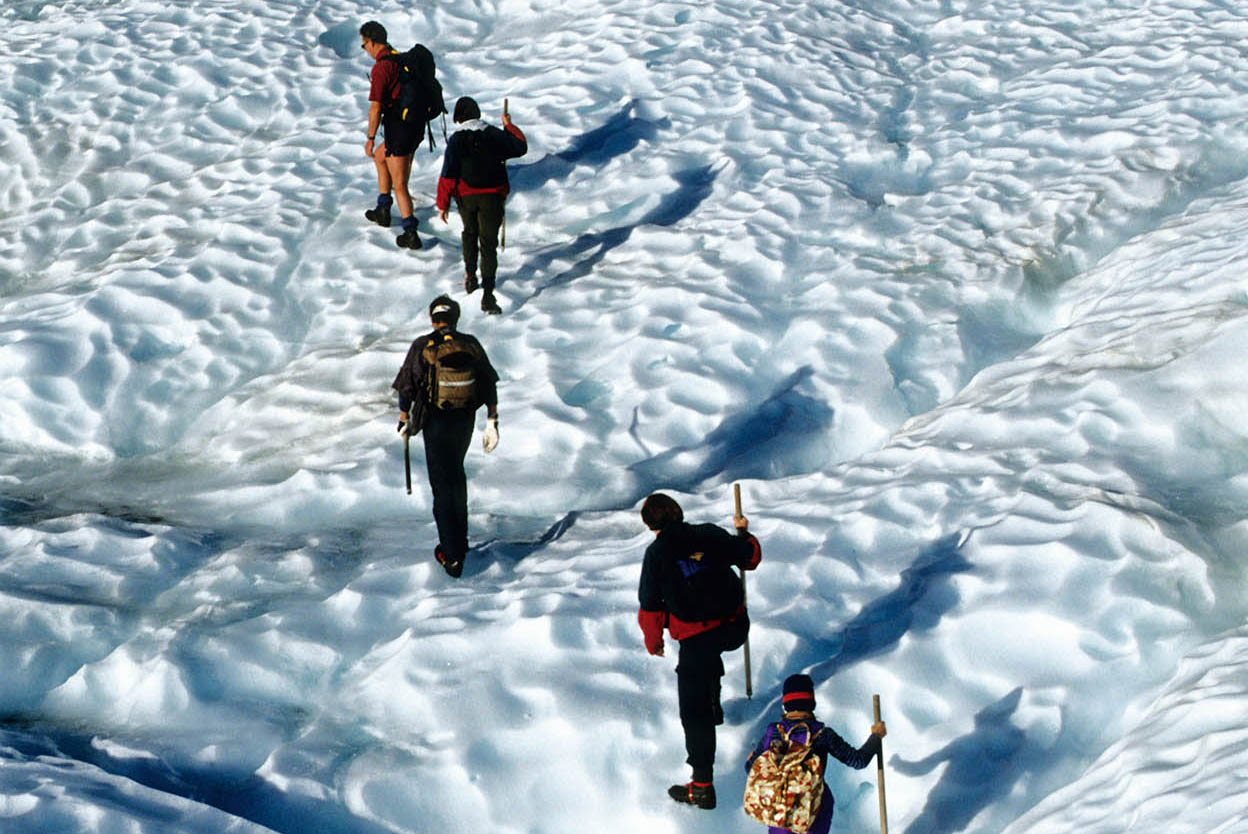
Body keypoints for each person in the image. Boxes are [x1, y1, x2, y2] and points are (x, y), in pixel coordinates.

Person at [636, 492, 761, 809]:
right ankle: (715, 706)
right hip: (735, 627)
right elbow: (750, 557)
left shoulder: (656, 555)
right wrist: (743, 534)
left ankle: (702, 786)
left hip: (697, 636)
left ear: (651, 526)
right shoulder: (709, 533)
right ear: (678, 512)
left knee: (693, 707)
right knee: (706, 659)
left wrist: (655, 641)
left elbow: (650, 608)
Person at [392, 295, 500, 577]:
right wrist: (492, 421)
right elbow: (489, 382)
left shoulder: (423, 345)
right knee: (456, 477)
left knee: (442, 485)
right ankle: (460, 543)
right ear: (456, 318)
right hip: (463, 421)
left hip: (435, 422)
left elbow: (407, 386)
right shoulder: (471, 343)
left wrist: (404, 418)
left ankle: (451, 556)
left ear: (432, 318)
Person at [743, 674, 887, 834]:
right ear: (812, 703)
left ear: (785, 704)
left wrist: (750, 760)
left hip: (779, 811)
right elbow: (859, 761)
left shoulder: (773, 732)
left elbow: (752, 771)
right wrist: (876, 736)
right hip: (814, 809)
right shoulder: (823, 734)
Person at [436, 96, 527, 314]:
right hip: (493, 196)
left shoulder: (457, 139)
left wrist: (443, 203)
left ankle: (470, 276)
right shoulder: (494, 133)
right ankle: (488, 292)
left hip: (466, 197)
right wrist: (508, 125)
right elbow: (520, 147)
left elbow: (448, 174)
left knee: (469, 234)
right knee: (488, 243)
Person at [360, 20, 422, 250]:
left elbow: (375, 107)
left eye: (364, 44)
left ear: (373, 41)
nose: (364, 49)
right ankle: (383, 209)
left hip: (399, 130)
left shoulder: (382, 68)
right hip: (413, 127)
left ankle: (411, 232)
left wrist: (370, 137)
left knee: (401, 185)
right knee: (379, 157)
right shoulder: (400, 59)